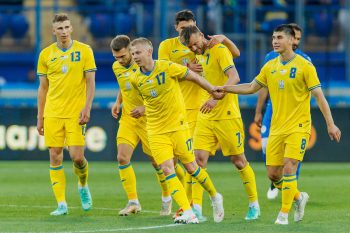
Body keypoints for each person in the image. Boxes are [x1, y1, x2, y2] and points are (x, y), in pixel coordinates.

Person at [217, 24, 341, 225]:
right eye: (274, 37)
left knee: (290, 167)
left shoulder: (305, 65)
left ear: (292, 40)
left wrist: (331, 124)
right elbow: (251, 87)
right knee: (274, 174)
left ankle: (283, 215)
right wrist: (224, 88)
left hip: (299, 126)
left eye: (280, 37)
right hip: (277, 127)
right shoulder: (270, 66)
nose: (275, 41)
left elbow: (319, 96)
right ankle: (299, 198)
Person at [129, 37, 225, 224]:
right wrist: (143, 110)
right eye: (133, 54)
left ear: (149, 52)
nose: (135, 57)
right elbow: (150, 101)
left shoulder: (167, 67)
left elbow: (194, 76)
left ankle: (215, 196)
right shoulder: (135, 78)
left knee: (192, 168)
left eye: (138, 53)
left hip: (178, 127)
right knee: (167, 169)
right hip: (156, 130)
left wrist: (213, 90)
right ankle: (188, 211)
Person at [158, 9, 240, 220]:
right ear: (176, 28)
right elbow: (162, 73)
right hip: (174, 109)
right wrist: (185, 69)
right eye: (183, 28)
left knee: (194, 161)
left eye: (191, 26)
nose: (187, 31)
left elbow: (234, 56)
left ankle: (193, 207)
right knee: (171, 163)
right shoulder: (167, 46)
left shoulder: (204, 45)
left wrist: (224, 39)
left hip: (198, 108)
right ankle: (177, 199)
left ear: (197, 27)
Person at [180, 25, 260, 221]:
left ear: (201, 34)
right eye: (190, 48)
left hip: (227, 114)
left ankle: (254, 204)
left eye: (196, 44)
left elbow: (235, 77)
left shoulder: (219, 50)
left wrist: (216, 98)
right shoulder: (199, 56)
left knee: (238, 161)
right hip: (205, 115)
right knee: (197, 160)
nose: (195, 49)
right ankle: (197, 207)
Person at [36, 13, 96, 216]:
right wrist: (40, 116)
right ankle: (61, 204)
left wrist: (87, 108)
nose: (63, 32)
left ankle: (82, 184)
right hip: (53, 112)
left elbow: (90, 82)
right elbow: (43, 88)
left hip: (75, 113)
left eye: (66, 27)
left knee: (78, 158)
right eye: (59, 28)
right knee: (55, 156)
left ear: (72, 29)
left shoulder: (84, 50)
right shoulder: (45, 55)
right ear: (53, 31)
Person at [110, 35, 171, 216]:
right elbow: (124, 85)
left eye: (122, 56)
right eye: (116, 58)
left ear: (131, 50)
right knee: (122, 157)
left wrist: (144, 108)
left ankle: (167, 198)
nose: (119, 61)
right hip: (129, 119)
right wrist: (117, 102)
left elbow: (160, 91)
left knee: (158, 163)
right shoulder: (117, 67)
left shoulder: (145, 66)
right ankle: (133, 202)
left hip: (150, 119)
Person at [254, 23, 312, 200]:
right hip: (273, 109)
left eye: (299, 39)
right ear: (290, 37)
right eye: (295, 38)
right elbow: (262, 86)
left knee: (292, 159)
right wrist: (258, 111)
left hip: (294, 114)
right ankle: (279, 183)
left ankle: (291, 191)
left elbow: (308, 91)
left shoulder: (305, 60)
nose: (297, 42)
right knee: (266, 148)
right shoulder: (270, 59)